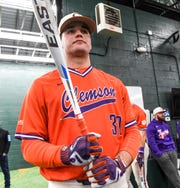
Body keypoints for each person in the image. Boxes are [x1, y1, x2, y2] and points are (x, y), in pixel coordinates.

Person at [15, 12, 140, 188]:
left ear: (90, 41)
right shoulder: (41, 86)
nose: (79, 33)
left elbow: (132, 132)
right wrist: (66, 154)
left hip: (114, 179)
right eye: (70, 31)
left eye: (84, 31)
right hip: (67, 183)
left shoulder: (115, 84)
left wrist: (120, 163)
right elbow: (29, 146)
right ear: (59, 42)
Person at [146, 106, 180, 188]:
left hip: (171, 150)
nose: (163, 115)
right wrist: (158, 153)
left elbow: (170, 137)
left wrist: (174, 148)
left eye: (163, 113)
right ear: (155, 115)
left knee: (175, 172)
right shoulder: (150, 127)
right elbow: (151, 142)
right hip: (162, 153)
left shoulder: (165, 125)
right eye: (161, 113)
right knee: (172, 173)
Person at [125, 104, 149, 188]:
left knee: (141, 181)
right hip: (126, 150)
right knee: (124, 180)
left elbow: (142, 133)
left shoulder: (136, 109)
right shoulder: (118, 111)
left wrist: (141, 151)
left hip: (138, 147)